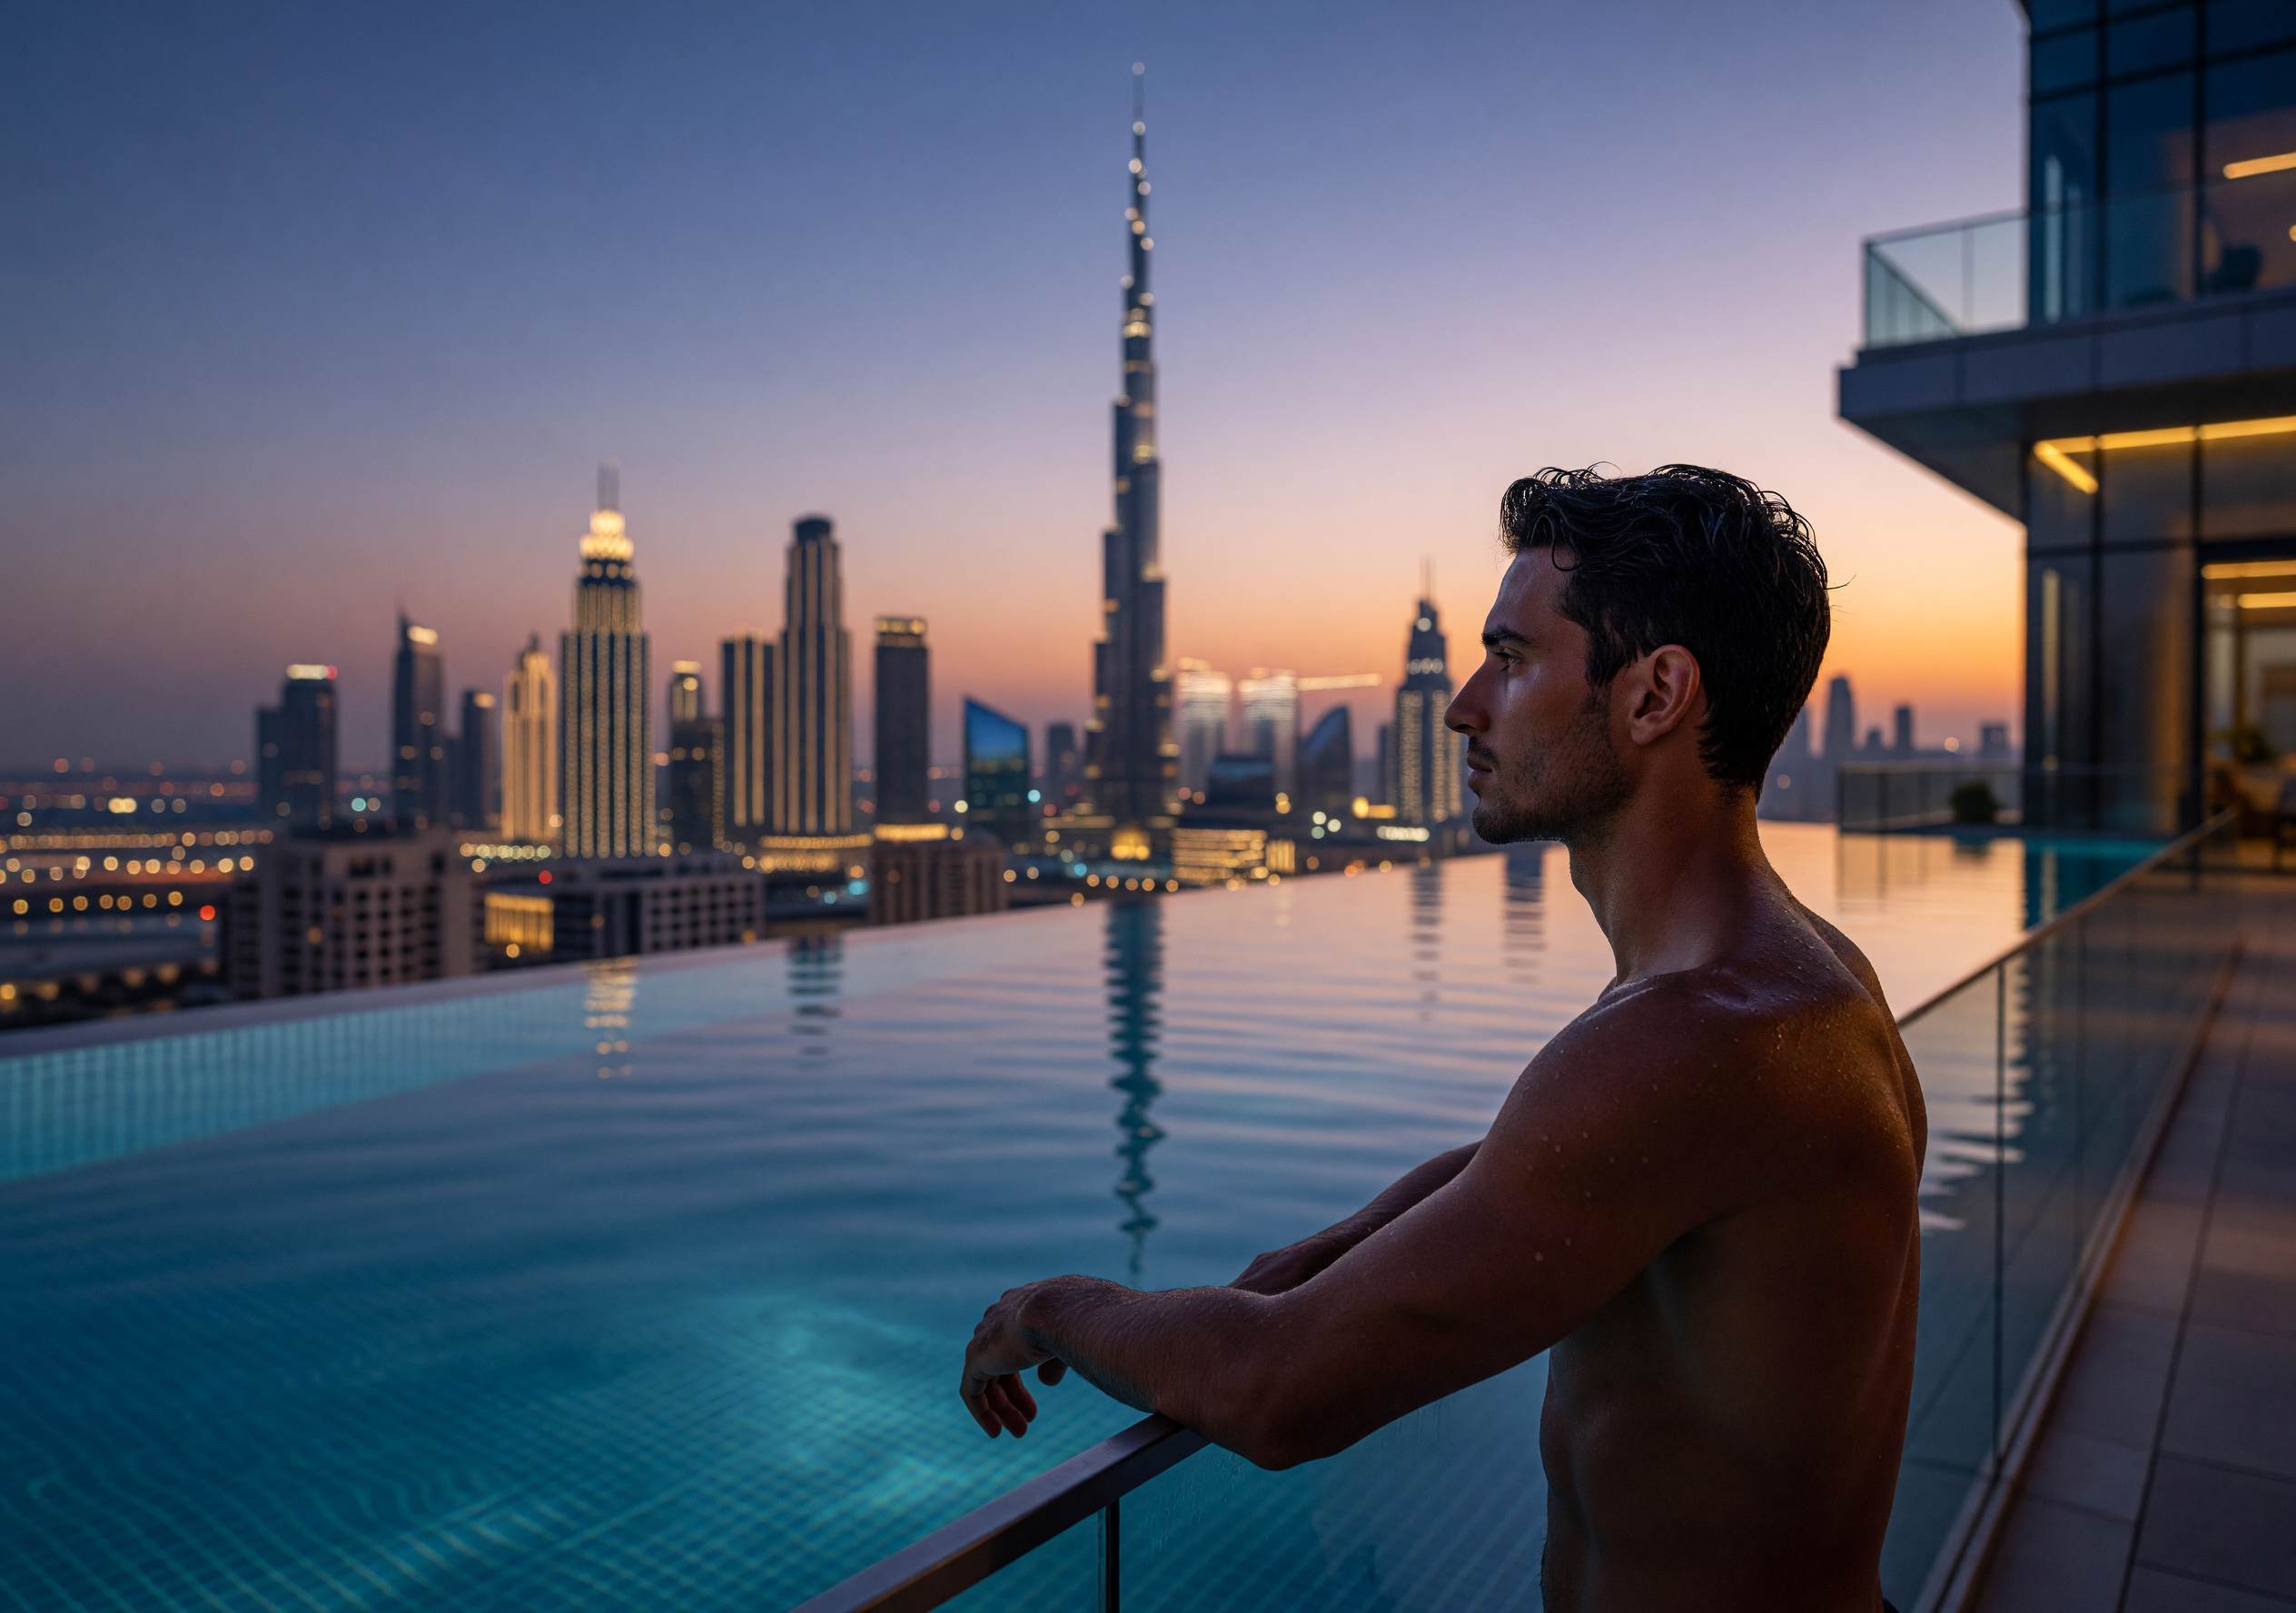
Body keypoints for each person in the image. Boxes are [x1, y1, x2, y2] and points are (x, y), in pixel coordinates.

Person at [961, 465, 1925, 1611]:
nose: (1464, 704)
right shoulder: (1796, 983)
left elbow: (1280, 1392)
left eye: (1511, 660)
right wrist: (1313, 1259)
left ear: (1654, 695)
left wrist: (1049, 1307)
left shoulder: (1691, 1044)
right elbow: (1529, 1164)